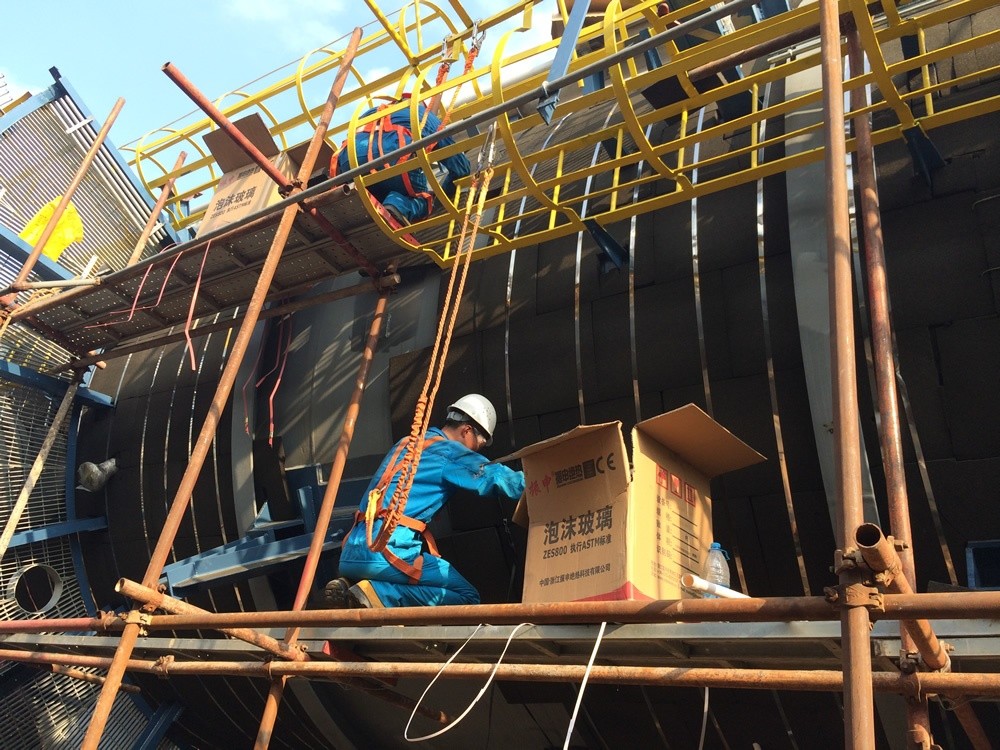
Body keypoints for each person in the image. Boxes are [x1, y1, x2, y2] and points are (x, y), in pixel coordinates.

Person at [325, 394, 524, 608]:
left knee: (419, 583)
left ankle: (352, 586)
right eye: (479, 445)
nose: (476, 452)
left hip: (351, 552)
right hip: (385, 552)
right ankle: (379, 594)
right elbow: (496, 477)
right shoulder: (448, 452)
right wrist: (540, 479)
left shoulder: (406, 444)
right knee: (466, 596)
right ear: (467, 430)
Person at [332, 94, 471, 225]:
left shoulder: (371, 113)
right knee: (422, 199)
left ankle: (371, 205)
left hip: (350, 164)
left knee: (374, 192)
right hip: (394, 160)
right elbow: (460, 169)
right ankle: (398, 206)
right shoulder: (424, 115)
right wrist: (444, 193)